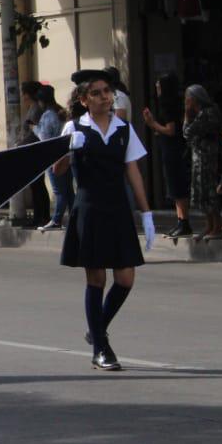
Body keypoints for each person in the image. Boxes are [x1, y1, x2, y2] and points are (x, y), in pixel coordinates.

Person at [52, 69, 154, 372]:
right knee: (96, 278)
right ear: (84, 100)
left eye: (107, 91)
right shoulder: (74, 127)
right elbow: (57, 170)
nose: (104, 97)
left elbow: (132, 170)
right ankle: (100, 348)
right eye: (96, 93)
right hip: (89, 209)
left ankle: (97, 328)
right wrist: (69, 149)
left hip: (118, 208)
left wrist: (147, 212)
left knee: (125, 278)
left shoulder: (124, 128)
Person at [142, 74, 191, 240]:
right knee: (174, 184)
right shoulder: (175, 103)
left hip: (173, 149)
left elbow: (170, 130)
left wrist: (152, 123)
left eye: (159, 85)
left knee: (176, 184)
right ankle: (180, 220)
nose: (157, 88)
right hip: (173, 148)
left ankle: (184, 221)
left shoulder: (167, 105)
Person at [182, 85, 222, 241]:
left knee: (209, 191)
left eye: (188, 98)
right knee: (202, 192)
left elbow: (187, 132)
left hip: (207, 158)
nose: (186, 101)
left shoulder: (207, 113)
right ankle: (209, 225)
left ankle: (217, 226)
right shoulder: (201, 113)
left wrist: (187, 115)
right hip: (199, 157)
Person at [35, 85, 72, 231]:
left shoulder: (48, 115)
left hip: (52, 157)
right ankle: (74, 216)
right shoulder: (61, 111)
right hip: (66, 155)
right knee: (68, 189)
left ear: (41, 101)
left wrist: (34, 128)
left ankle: (56, 219)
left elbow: (44, 138)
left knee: (59, 191)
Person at [20, 81, 50, 227]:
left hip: (34, 151)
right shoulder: (33, 108)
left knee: (37, 185)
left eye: (24, 93)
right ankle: (41, 216)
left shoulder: (36, 110)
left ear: (28, 94)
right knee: (37, 185)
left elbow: (35, 132)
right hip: (32, 150)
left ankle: (40, 216)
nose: (22, 97)